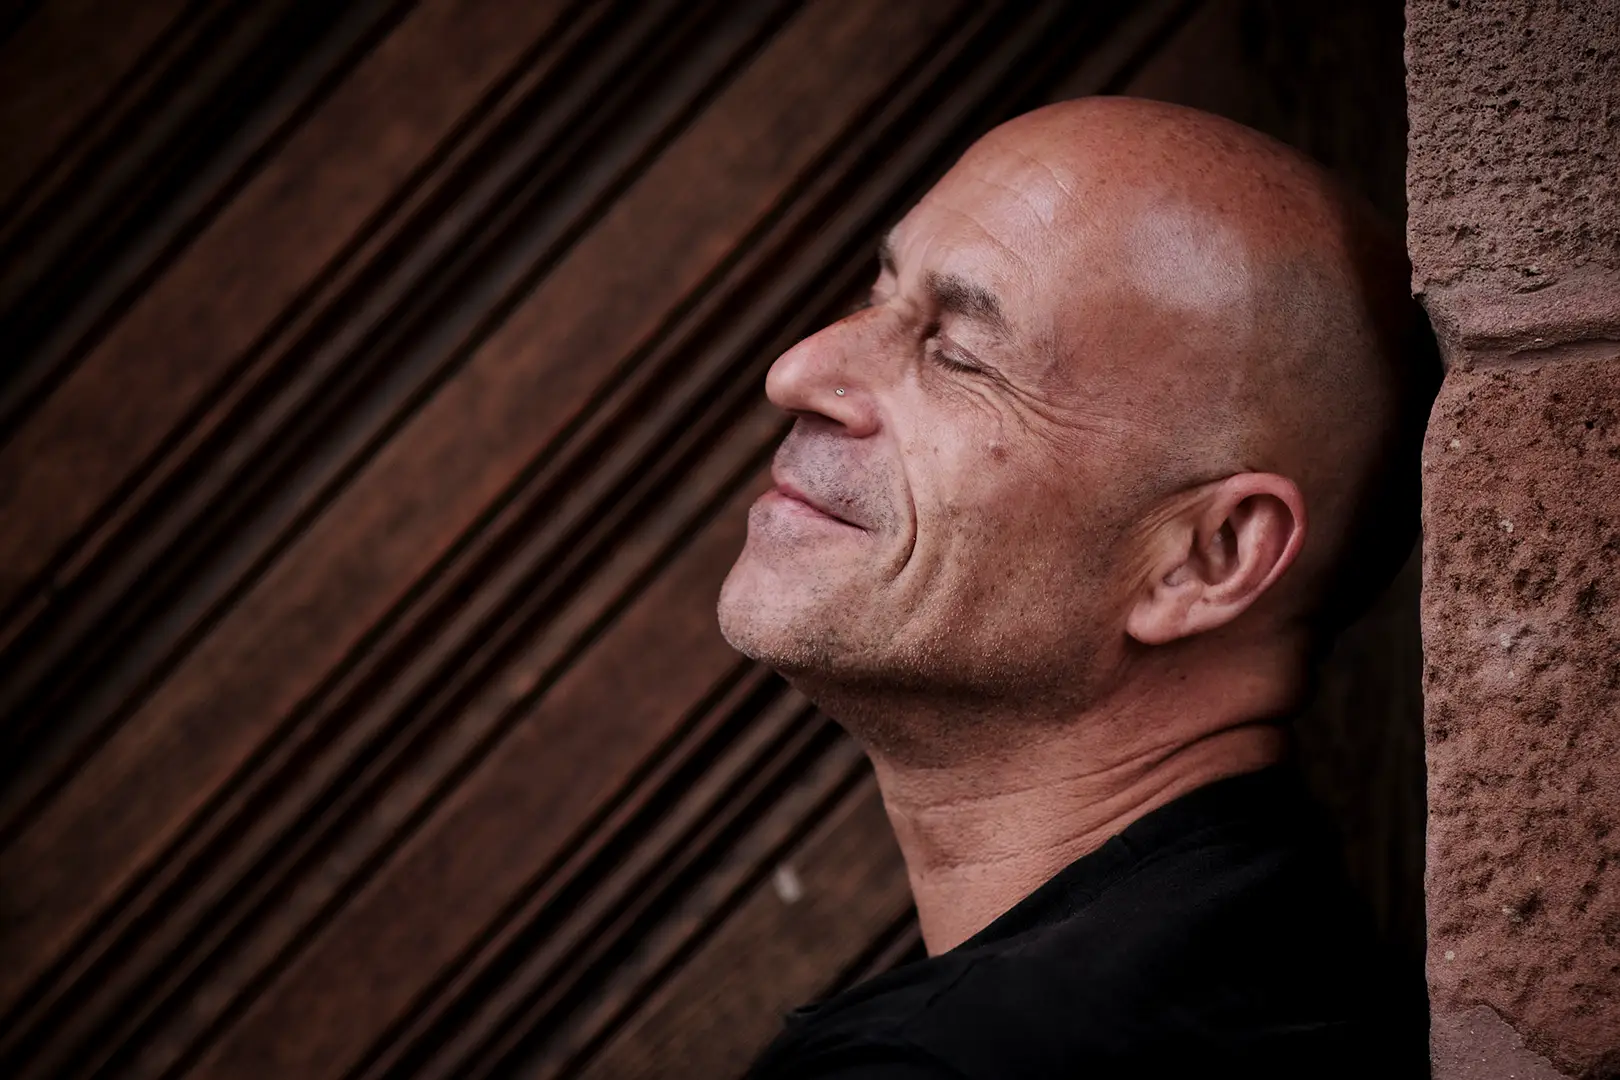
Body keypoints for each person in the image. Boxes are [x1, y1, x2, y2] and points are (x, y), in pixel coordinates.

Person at [718, 97, 1437, 1078]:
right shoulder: (1281, 985)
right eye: (878, 293)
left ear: (1208, 558)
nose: (797, 370)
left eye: (959, 354)